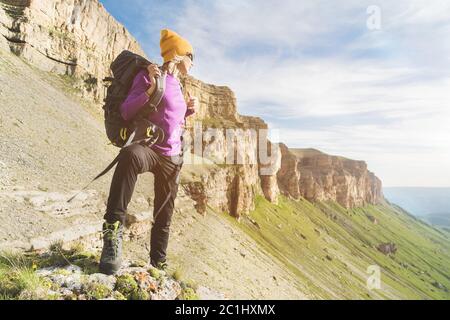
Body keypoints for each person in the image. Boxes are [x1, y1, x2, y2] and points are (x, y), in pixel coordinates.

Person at [99, 29, 198, 275]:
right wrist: (149, 91)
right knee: (130, 155)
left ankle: (158, 263)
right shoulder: (149, 75)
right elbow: (126, 111)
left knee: (165, 213)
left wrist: (188, 111)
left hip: (172, 156)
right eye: (190, 55)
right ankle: (112, 237)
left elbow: (169, 118)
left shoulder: (179, 85)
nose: (193, 61)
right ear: (177, 54)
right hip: (149, 149)